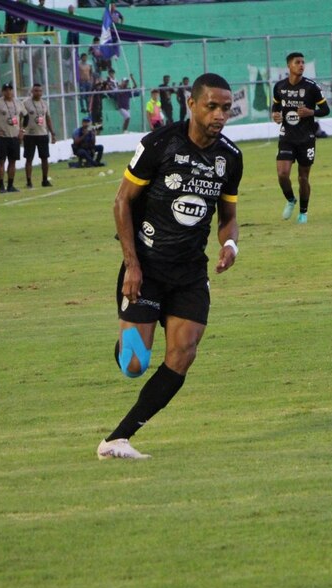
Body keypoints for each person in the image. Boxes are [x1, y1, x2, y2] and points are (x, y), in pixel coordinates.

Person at [98, 73, 242, 460]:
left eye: (226, 108)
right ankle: (128, 335)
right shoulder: (159, 144)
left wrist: (230, 243)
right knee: (133, 365)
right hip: (146, 266)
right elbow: (121, 202)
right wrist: (131, 264)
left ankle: (117, 439)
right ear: (192, 104)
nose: (219, 115)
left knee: (183, 352)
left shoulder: (230, 157)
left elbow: (227, 215)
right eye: (212, 106)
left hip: (190, 272)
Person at [271, 51, 330, 224]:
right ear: (289, 66)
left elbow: (326, 110)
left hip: (306, 138)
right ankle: (290, 200)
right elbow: (275, 107)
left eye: (303, 62)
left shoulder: (312, 87)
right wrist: (275, 116)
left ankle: (303, 212)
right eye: (298, 62)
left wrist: (311, 112)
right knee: (282, 174)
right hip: (287, 137)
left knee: (303, 177)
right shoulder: (279, 87)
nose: (301, 65)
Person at [0, 82, 27, 193]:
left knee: (12, 161)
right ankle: (1, 186)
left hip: (14, 136)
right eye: (6, 90)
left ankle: (11, 185)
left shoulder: (18, 103)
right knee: (1, 161)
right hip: (1, 137)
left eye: (10, 90)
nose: (8, 92)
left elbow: (25, 116)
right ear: (3, 91)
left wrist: (22, 130)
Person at [22, 82, 57, 188]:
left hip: (42, 134)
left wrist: (52, 133)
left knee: (45, 158)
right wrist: (21, 131)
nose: (38, 93)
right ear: (32, 91)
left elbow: (48, 118)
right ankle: (29, 181)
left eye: (40, 91)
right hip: (29, 134)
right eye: (36, 90)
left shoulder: (44, 103)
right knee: (29, 158)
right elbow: (21, 117)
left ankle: (45, 180)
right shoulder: (25, 103)